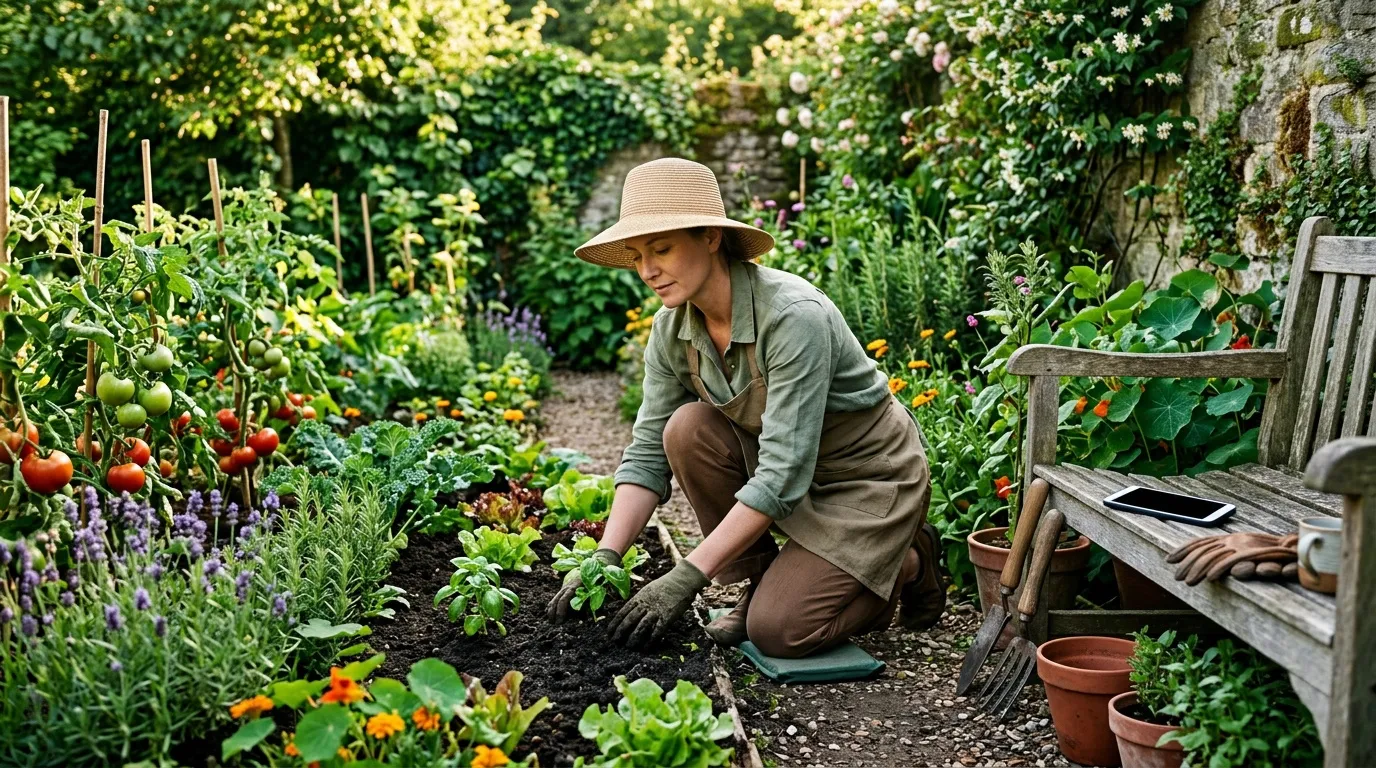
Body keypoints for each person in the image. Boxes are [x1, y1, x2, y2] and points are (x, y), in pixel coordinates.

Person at [545, 157, 943, 658]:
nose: (646, 271)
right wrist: (605, 555)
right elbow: (647, 454)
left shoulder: (793, 317)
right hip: (791, 475)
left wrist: (687, 576)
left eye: (662, 249)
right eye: (637, 255)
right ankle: (761, 580)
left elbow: (781, 474)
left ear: (711, 237)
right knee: (686, 429)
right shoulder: (672, 330)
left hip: (866, 481)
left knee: (779, 632)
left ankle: (907, 563)